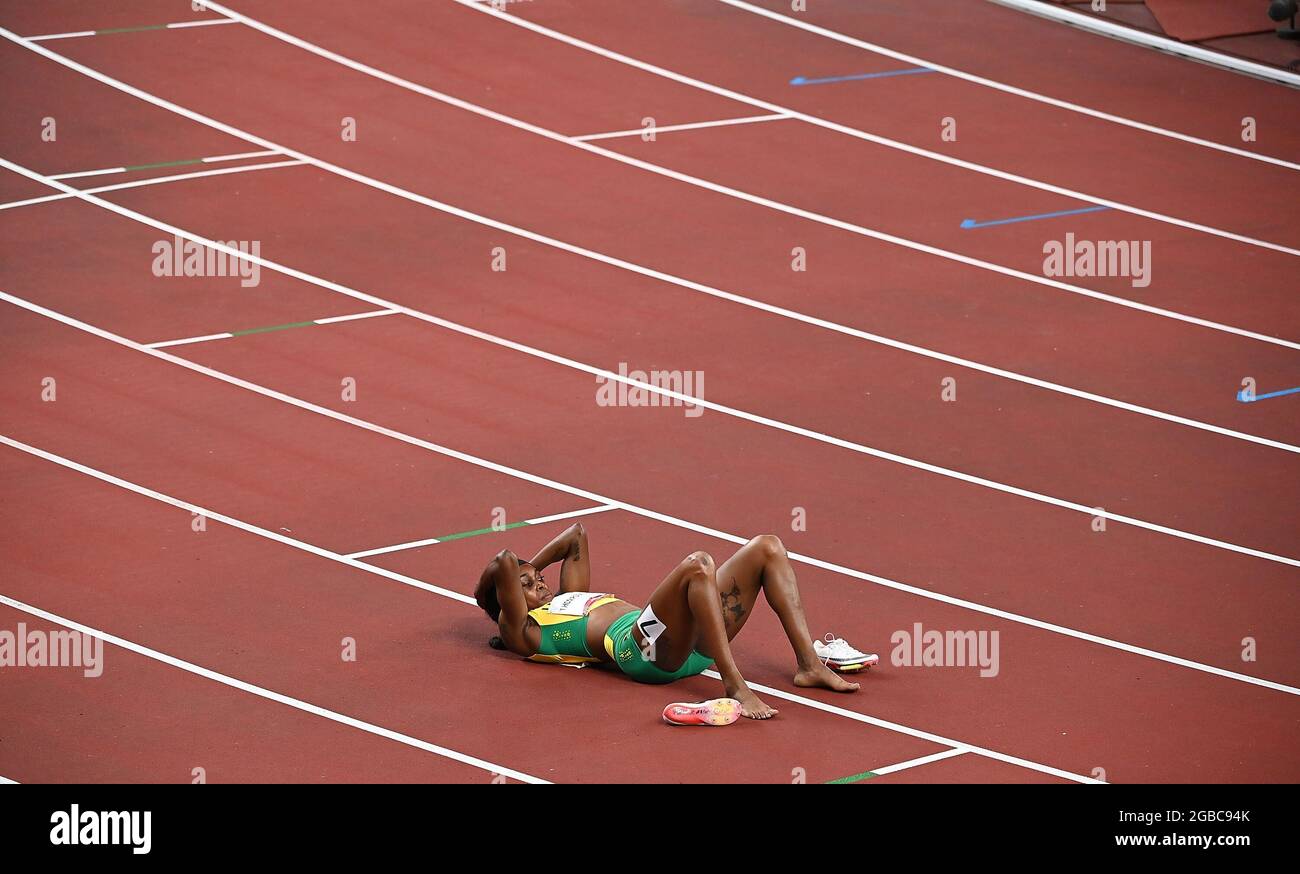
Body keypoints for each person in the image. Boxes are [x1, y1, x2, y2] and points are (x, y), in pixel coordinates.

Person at [474, 522, 876, 720]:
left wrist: (533, 567)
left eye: (539, 576)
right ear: (507, 605)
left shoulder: (567, 595)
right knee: (697, 565)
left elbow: (576, 536)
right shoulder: (524, 632)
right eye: (526, 584)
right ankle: (734, 684)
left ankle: (809, 664)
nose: (540, 581)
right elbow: (504, 560)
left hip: (687, 646)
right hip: (640, 652)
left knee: (767, 547)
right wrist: (508, 586)